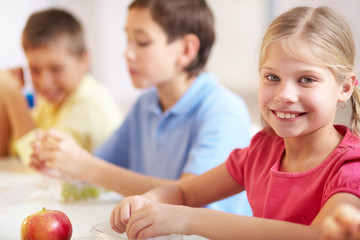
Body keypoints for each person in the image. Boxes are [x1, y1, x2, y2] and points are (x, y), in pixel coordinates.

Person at [109, 6, 360, 240]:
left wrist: (188, 219)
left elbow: (321, 236)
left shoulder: (351, 167)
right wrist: (144, 202)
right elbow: (185, 192)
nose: (284, 95)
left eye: (306, 79)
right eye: (272, 77)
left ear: (345, 87)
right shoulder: (261, 151)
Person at [30, 0, 252, 215]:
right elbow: (100, 165)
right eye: (128, 39)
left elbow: (190, 201)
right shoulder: (144, 105)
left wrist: (87, 167)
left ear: (186, 50)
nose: (127, 53)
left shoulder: (223, 111)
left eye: (142, 42)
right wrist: (60, 163)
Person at [0, 8, 122, 166]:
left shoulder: (88, 103)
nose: (45, 83)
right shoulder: (51, 102)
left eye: (56, 69)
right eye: (34, 70)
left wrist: (13, 96)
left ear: (84, 60)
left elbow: (42, 164)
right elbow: (7, 149)